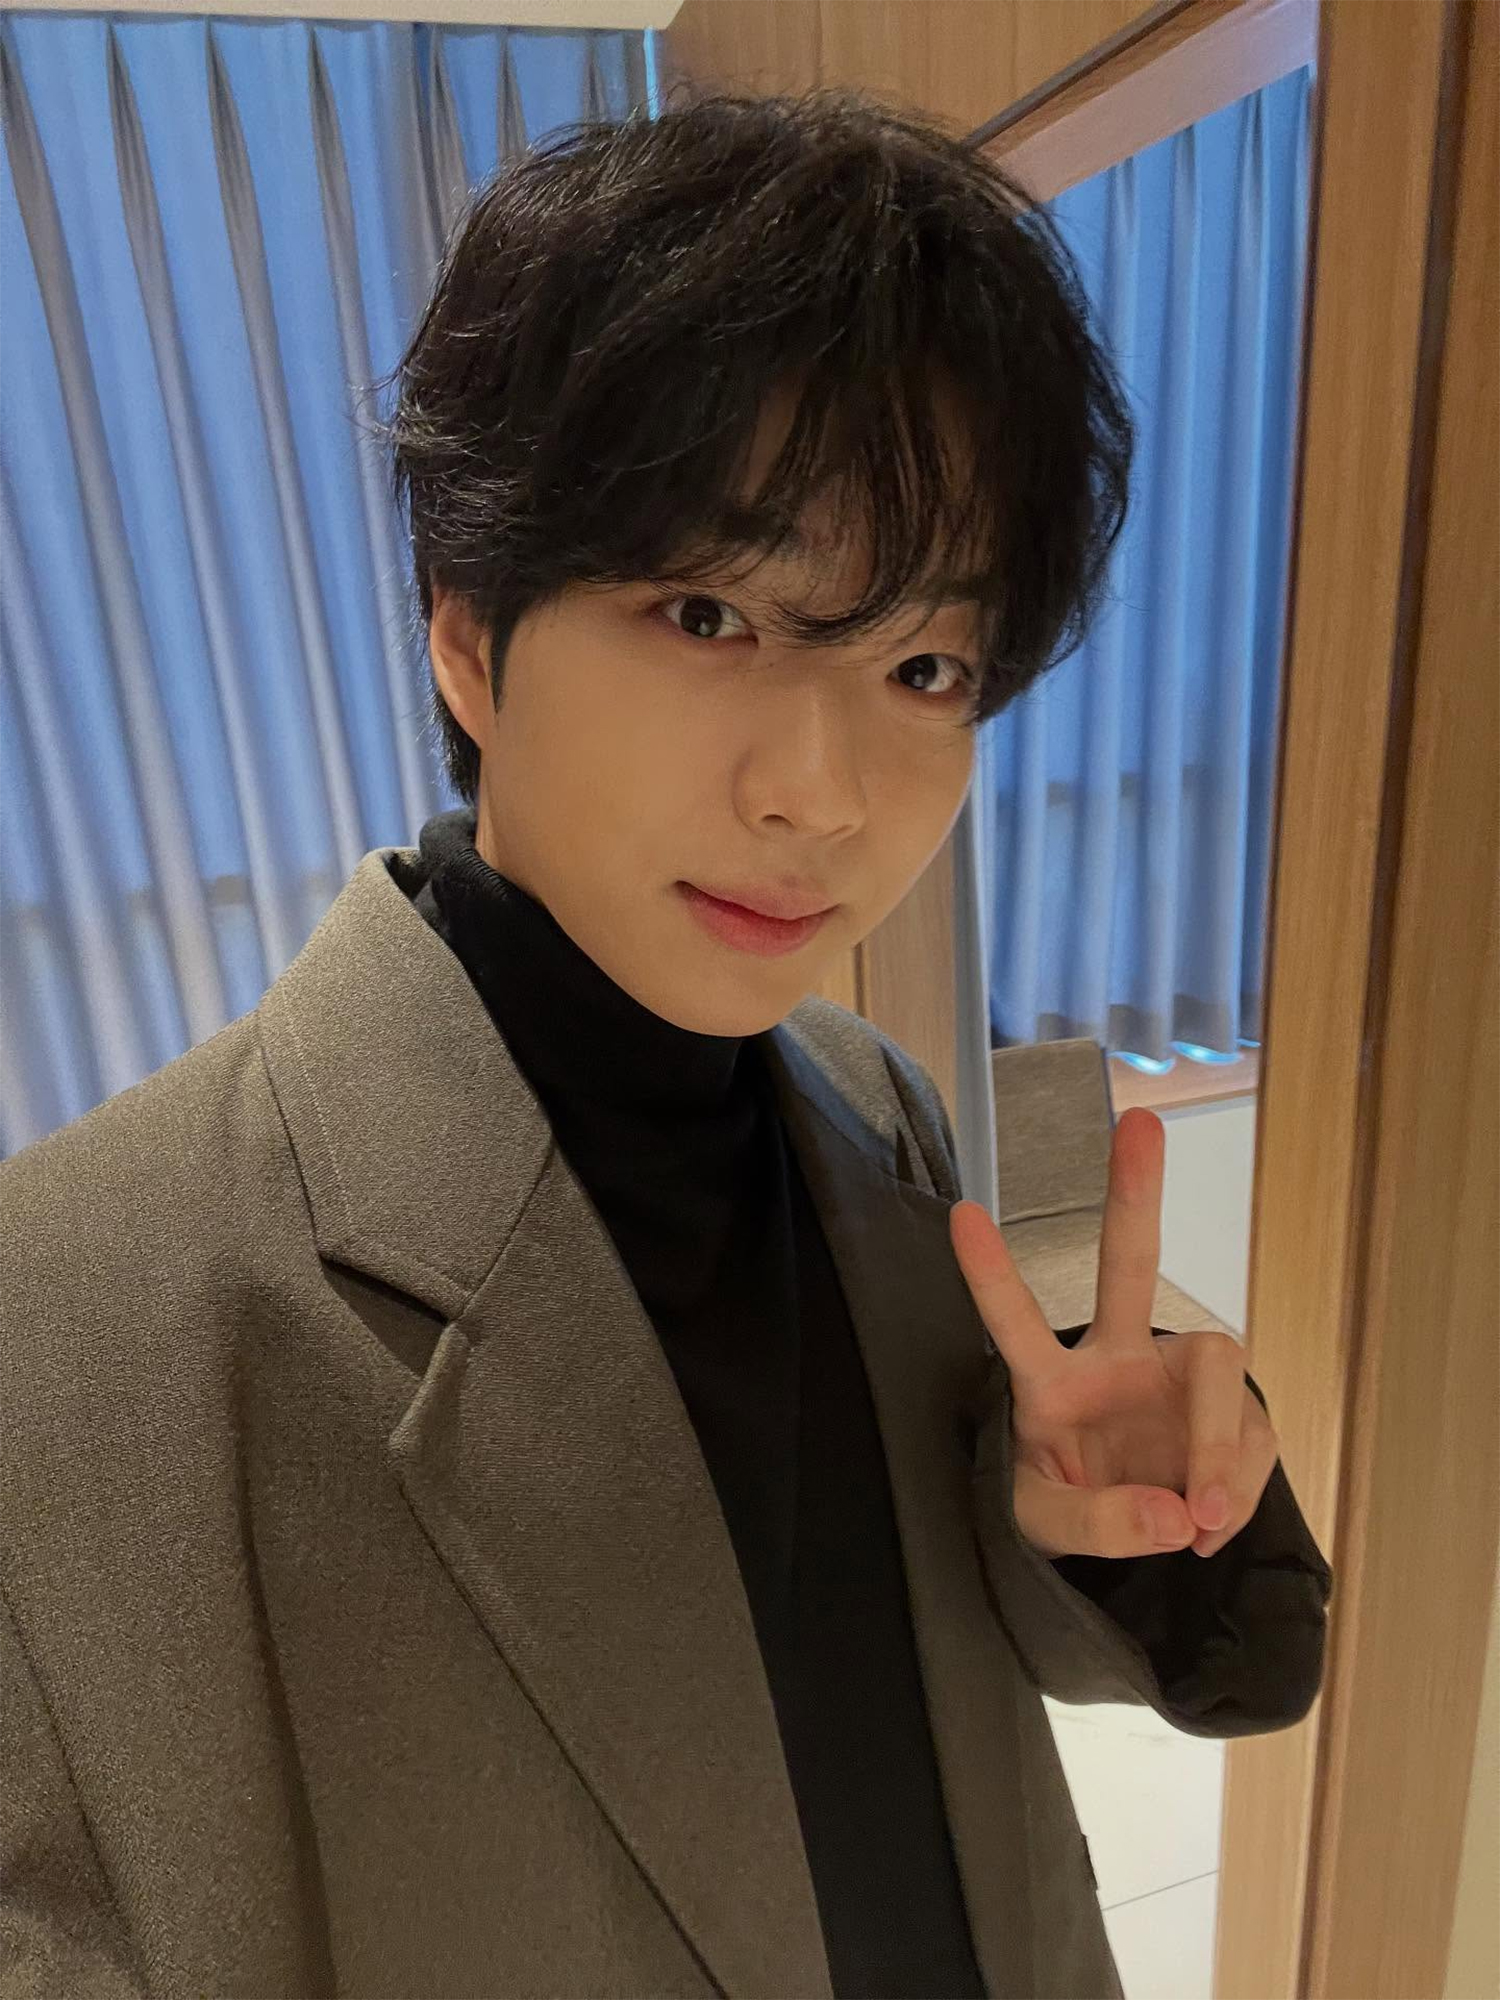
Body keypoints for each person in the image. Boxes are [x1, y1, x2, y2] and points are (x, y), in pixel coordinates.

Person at [0, 83, 1331, 2000]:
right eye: (708, 614)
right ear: (470, 633)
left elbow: (876, 1687)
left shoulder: (869, 1111)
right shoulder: (75, 1312)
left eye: (924, 665)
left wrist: (1100, 1529)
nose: (821, 794)